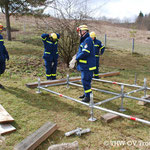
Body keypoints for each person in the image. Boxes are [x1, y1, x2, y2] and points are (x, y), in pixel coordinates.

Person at [75, 25, 96, 103]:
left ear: (83, 31)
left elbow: (85, 52)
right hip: (85, 65)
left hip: (87, 66)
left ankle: (88, 97)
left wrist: (76, 58)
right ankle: (86, 94)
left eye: (79, 32)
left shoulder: (87, 40)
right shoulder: (85, 40)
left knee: (85, 81)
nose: (78, 34)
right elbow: (81, 51)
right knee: (85, 80)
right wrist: (76, 55)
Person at [0, 24, 9, 89]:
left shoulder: (0, 37)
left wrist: (6, 54)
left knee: (1, 70)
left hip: (2, 57)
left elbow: (2, 46)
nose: (1, 31)